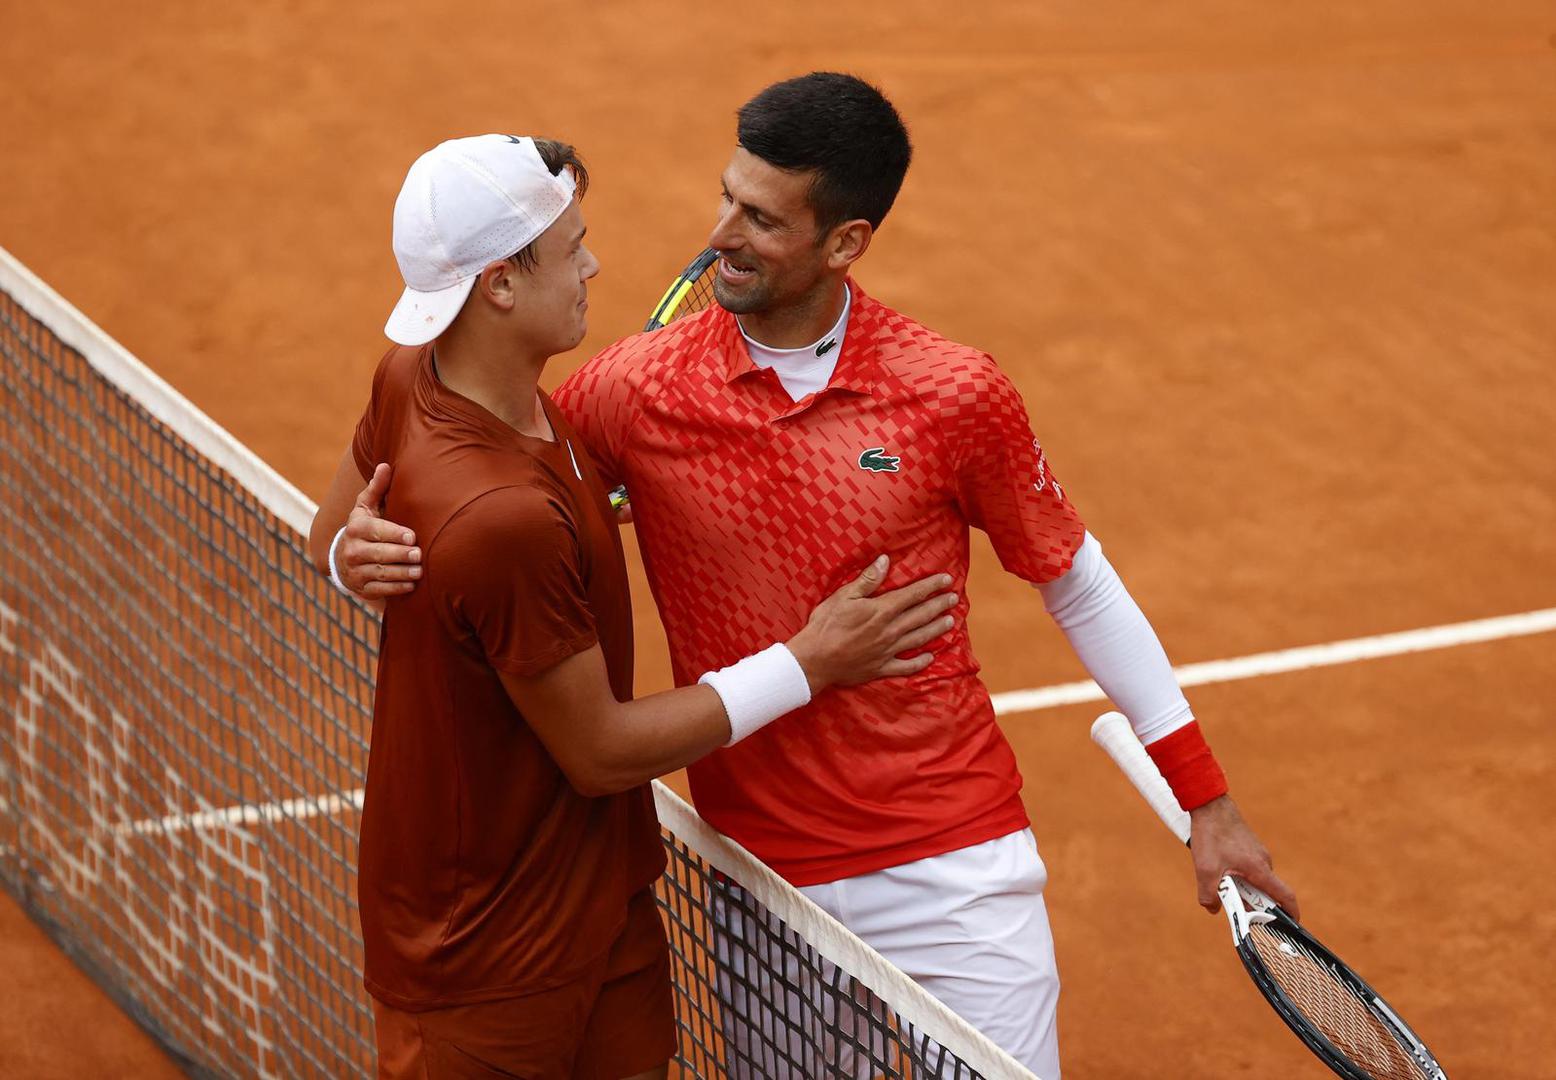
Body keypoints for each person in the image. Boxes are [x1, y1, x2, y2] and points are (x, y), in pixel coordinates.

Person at [338, 78, 1299, 1078]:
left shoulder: (950, 394)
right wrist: (357, 549)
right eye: (725, 198)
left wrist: (1206, 800)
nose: (719, 235)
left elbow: (1076, 583)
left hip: (952, 867)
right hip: (761, 879)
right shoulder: (631, 391)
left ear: (844, 242)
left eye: (759, 218)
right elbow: (480, 483)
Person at [306, 132, 959, 1080]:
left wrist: (341, 555)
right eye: (571, 248)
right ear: (497, 284)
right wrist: (809, 663)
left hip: (601, 908)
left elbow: (330, 527)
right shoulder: (499, 516)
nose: (594, 263)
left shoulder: (425, 377)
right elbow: (603, 751)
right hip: (485, 959)